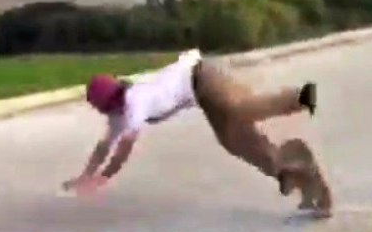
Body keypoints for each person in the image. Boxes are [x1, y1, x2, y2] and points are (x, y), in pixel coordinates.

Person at [63, 49, 319, 200]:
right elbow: (104, 146)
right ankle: (286, 172)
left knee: (239, 110)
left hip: (204, 77)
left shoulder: (134, 100)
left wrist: (104, 177)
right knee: (234, 141)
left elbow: (124, 149)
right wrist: (84, 177)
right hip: (200, 92)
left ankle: (302, 96)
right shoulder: (120, 113)